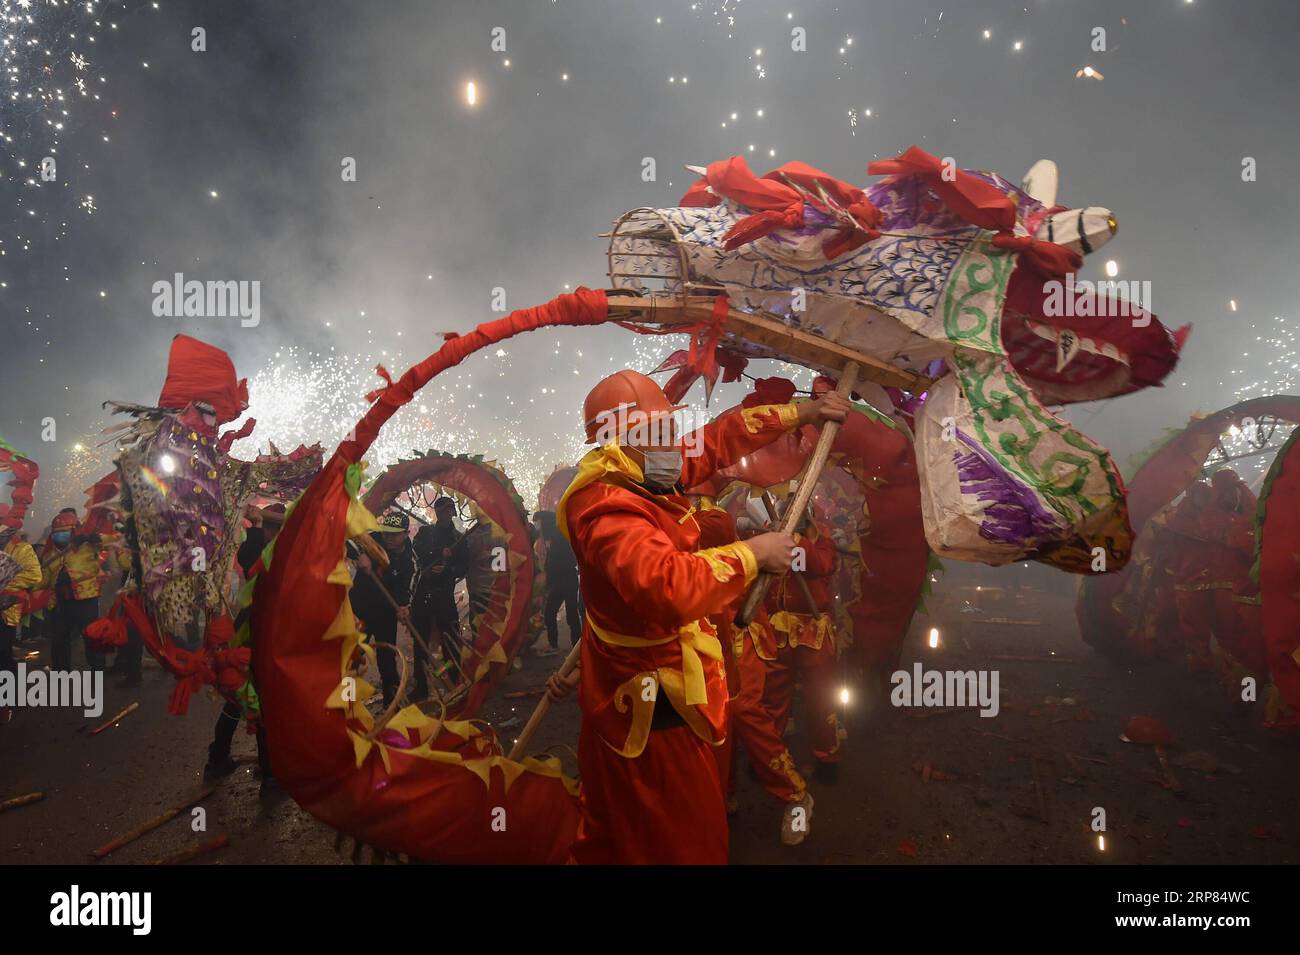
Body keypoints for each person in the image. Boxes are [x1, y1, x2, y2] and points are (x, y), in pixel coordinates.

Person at [545, 368, 849, 864]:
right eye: (659, 435)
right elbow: (667, 586)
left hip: (688, 669)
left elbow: (719, 438)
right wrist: (753, 554)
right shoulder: (605, 507)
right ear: (621, 442)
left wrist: (804, 412)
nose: (675, 447)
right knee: (675, 819)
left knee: (683, 790)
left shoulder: (643, 471)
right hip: (652, 697)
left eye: (669, 431)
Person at [205, 503, 288, 782]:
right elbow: (252, 563)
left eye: (278, 527)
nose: (273, 533)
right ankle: (268, 772)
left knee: (253, 700)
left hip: (271, 633)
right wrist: (257, 530)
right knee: (249, 700)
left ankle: (226, 760)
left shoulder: (285, 554)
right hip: (253, 635)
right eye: (271, 527)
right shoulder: (259, 551)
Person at [762, 510, 843, 783]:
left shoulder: (821, 535)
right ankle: (769, 761)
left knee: (821, 700)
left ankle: (826, 758)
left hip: (813, 632)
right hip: (776, 632)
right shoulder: (767, 530)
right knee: (772, 701)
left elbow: (819, 565)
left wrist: (794, 540)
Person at [348, 510, 417, 707]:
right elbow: (347, 538)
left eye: (394, 534)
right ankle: (346, 703)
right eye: (386, 532)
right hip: (359, 609)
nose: (388, 537)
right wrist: (359, 555)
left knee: (387, 660)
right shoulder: (371, 539)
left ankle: (391, 705)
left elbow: (410, 588)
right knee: (352, 657)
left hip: (385, 613)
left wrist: (405, 607)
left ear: (406, 533)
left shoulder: (409, 560)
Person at [39, 508, 106, 672]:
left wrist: (96, 539)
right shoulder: (49, 555)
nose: (59, 538)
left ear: (74, 532)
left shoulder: (88, 547)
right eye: (56, 534)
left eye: (64, 534)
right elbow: (44, 580)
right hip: (61, 602)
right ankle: (61, 671)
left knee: (91, 635)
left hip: (86, 601)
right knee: (59, 639)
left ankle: (97, 669)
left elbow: (107, 545)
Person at [412, 497, 468, 687]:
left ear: (453, 512)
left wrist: (448, 568)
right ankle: (421, 685)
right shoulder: (425, 532)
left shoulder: (458, 538)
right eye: (442, 510)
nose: (446, 514)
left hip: (445, 595)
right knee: (420, 641)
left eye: (449, 510)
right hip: (423, 594)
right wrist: (437, 553)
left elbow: (463, 567)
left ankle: (454, 680)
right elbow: (417, 549)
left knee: (451, 641)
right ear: (436, 512)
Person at [1, 526, 42, 721]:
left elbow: (34, 575)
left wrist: (4, 584)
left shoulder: (22, 549)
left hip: (6, 612)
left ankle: (13, 698)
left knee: (3, 656)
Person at [534, 510, 579, 656]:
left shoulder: (557, 535)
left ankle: (560, 645)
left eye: (538, 522)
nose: (537, 526)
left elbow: (559, 560)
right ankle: (576, 646)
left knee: (551, 613)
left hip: (563, 580)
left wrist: (549, 575)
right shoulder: (552, 534)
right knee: (571, 614)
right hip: (566, 579)